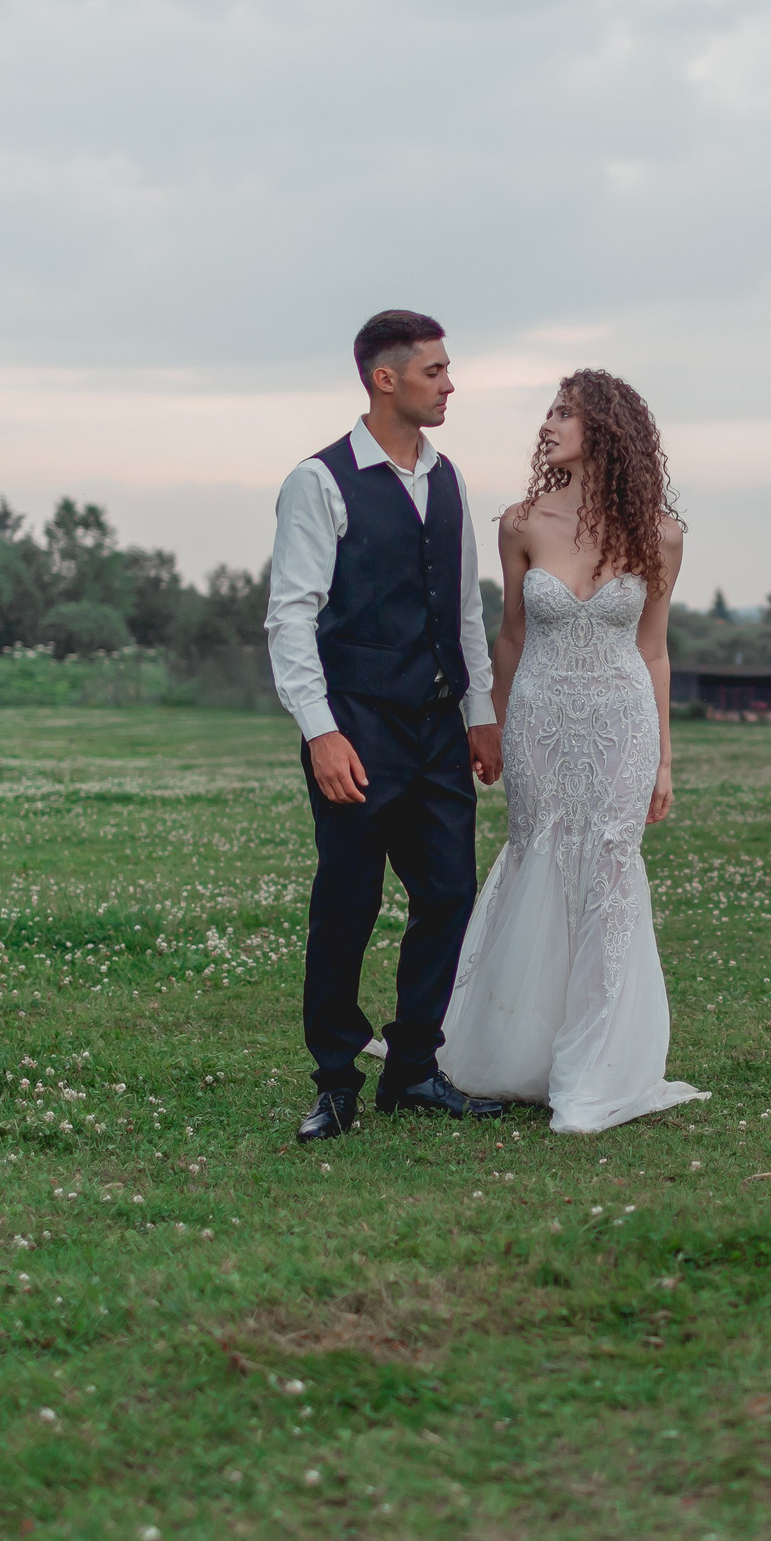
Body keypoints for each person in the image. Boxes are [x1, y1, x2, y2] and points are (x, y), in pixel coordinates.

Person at [437, 370, 707, 1133]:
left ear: (607, 431)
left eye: (564, 413)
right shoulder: (521, 523)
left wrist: (662, 758)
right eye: (548, 411)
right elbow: (512, 634)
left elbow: (653, 651)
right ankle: (516, 1050)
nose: (547, 425)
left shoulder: (661, 533)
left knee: (613, 871)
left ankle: (596, 1068)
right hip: (540, 719)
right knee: (542, 858)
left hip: (622, 720)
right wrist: (484, 722)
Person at [266, 310, 509, 1143]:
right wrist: (320, 731)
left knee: (447, 894)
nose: (449, 384)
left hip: (440, 728)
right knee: (348, 902)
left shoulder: (449, 479)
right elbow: (290, 618)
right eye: (435, 371)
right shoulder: (319, 481)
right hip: (357, 725)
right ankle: (335, 1079)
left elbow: (468, 612)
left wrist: (480, 714)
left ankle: (411, 1069)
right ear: (385, 378)